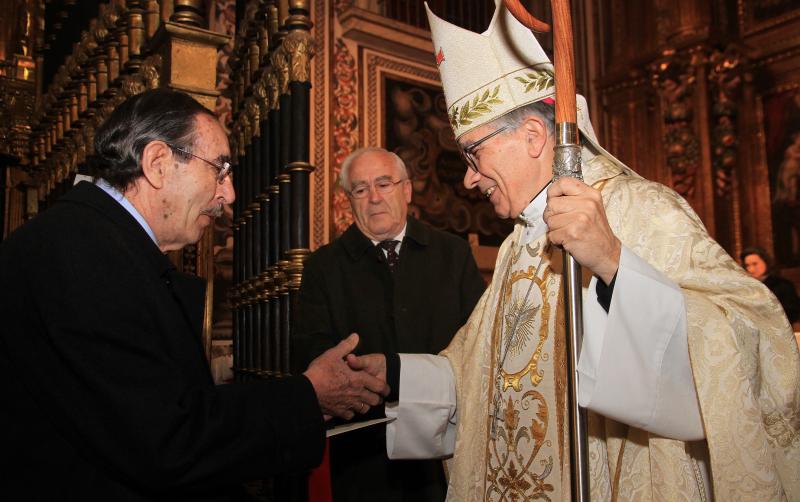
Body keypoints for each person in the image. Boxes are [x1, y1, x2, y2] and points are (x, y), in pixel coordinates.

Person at [348, 2, 800, 500]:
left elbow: (754, 334)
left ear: (535, 135)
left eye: (474, 153)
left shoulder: (634, 207)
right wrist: (395, 374)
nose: (471, 178)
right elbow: (474, 373)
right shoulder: (518, 243)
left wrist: (613, 262)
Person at [0, 89, 388, 501]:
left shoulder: (98, 242)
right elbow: (166, 440)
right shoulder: (80, 253)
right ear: (158, 163)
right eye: (220, 169)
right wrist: (308, 395)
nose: (229, 194)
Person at [294, 147, 486, 501]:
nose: (375, 198)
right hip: (363, 454)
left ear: (407, 190)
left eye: (384, 183)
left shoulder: (452, 254)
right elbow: (311, 351)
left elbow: (481, 343)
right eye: (361, 189)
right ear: (348, 200)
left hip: (445, 448)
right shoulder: (323, 267)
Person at [741, 246, 800, 324]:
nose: (751, 269)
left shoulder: (783, 285)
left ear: (765, 262)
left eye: (755, 264)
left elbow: (793, 312)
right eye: (747, 265)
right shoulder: (746, 287)